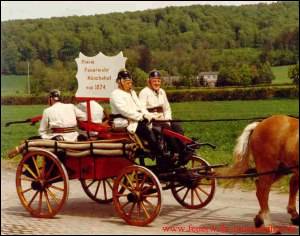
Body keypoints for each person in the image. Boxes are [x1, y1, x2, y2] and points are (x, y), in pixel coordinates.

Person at [110, 69, 162, 157]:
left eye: (130, 82)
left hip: (135, 119)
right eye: (126, 82)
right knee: (145, 129)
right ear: (119, 82)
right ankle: (155, 152)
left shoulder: (132, 92)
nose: (129, 84)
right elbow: (125, 111)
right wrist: (141, 117)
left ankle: (160, 148)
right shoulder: (115, 94)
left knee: (156, 127)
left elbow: (140, 107)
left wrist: (148, 115)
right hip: (123, 120)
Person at [139, 69, 186, 163]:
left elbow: (167, 108)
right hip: (152, 121)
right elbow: (142, 109)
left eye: (158, 81)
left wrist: (168, 119)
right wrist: (151, 117)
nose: (157, 83)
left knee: (176, 124)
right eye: (154, 81)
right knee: (166, 127)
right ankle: (175, 151)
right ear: (149, 81)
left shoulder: (162, 92)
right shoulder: (144, 92)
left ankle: (183, 148)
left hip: (163, 119)